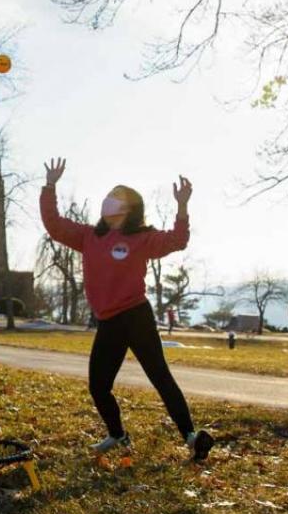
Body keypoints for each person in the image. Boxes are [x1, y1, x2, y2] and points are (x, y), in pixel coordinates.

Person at [40, 158, 213, 462]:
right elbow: (54, 225)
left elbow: (177, 240)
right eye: (110, 194)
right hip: (109, 322)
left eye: (117, 196)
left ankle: (191, 437)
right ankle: (118, 435)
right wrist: (50, 186)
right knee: (98, 386)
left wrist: (182, 207)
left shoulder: (141, 238)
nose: (109, 199)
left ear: (129, 208)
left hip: (136, 316)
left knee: (160, 376)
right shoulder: (89, 237)